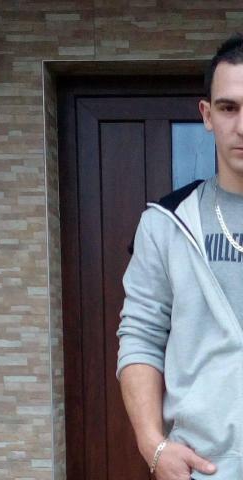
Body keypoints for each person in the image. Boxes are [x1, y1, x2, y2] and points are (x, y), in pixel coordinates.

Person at [117, 33, 243, 480]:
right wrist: (153, 445)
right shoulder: (166, 223)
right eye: (228, 108)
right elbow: (141, 336)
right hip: (205, 470)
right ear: (207, 115)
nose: (242, 125)